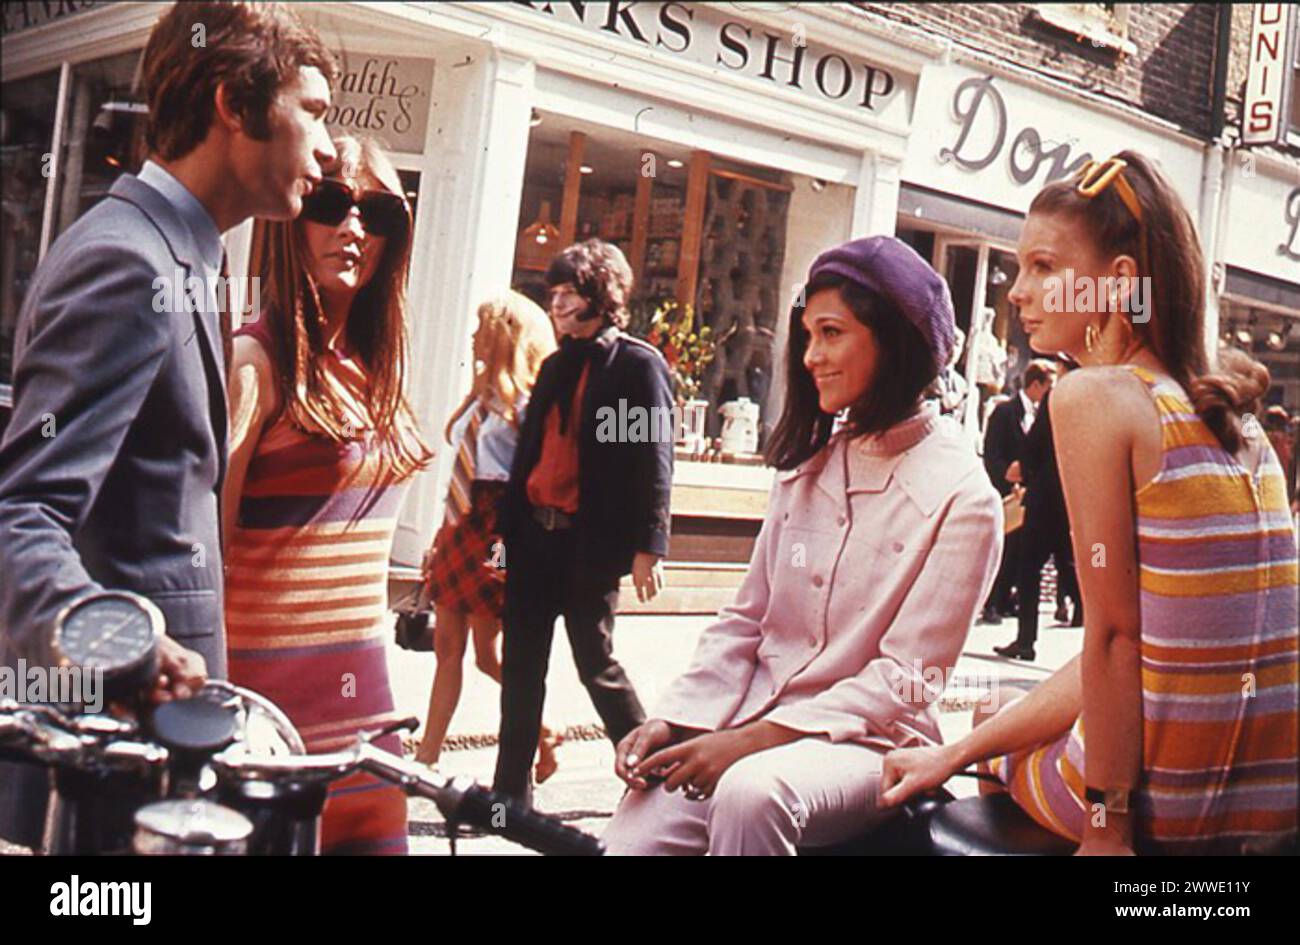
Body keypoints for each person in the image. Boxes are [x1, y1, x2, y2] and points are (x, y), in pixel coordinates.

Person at [880, 152, 1299, 855]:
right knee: (993, 720)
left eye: (1044, 268)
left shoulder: (1095, 397)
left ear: (1119, 282)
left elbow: (1110, 637)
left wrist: (1107, 828)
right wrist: (950, 755)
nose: (1018, 291)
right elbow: (1149, 644)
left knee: (991, 709)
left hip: (1175, 808)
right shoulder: (1239, 421)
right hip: (1271, 806)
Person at [0, 1, 336, 849]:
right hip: (107, 766)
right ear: (235, 104)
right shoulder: (129, 259)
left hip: (144, 762)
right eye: (315, 113)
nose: (328, 149)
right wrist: (123, 648)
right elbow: (20, 513)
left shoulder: (180, 254)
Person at [602, 237, 1002, 855]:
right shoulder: (805, 467)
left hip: (870, 745)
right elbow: (746, 621)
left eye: (832, 333)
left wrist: (748, 742)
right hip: (751, 721)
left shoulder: (964, 495)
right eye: (808, 335)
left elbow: (906, 679)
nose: (812, 356)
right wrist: (676, 720)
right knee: (635, 831)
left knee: (751, 795)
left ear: (894, 340)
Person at [222, 135, 429, 854]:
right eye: (331, 203)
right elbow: (201, 556)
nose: (353, 227)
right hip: (268, 742)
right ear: (293, 218)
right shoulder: (256, 361)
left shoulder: (378, 370)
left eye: (376, 212)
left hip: (370, 742)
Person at [492, 239, 674, 805]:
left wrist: (650, 544)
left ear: (600, 295)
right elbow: (527, 457)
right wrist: (504, 536)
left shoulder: (635, 366)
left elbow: (652, 458)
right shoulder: (554, 363)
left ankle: (654, 775)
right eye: (553, 293)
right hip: (532, 538)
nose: (556, 304)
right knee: (522, 669)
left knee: (595, 662)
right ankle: (509, 795)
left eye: (568, 293)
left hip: (586, 543)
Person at [413, 291, 561, 780]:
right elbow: (459, 473)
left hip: (499, 534)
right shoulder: (478, 396)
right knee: (446, 649)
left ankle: (542, 731)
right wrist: (440, 533)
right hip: (461, 525)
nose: (474, 337)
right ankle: (426, 758)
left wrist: (513, 556)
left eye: (482, 329)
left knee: (486, 654)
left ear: (502, 337)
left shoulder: (527, 404)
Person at [994, 363, 1083, 661]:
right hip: (1072, 495)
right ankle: (1087, 613)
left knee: (1029, 568)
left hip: (1045, 496)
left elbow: (1035, 443)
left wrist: (1025, 472)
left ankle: (1025, 640)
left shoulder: (1057, 398)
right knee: (1067, 561)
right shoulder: (1096, 399)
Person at [977, 361, 1055, 624]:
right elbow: (992, 452)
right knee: (1000, 549)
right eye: (1048, 387)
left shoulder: (1039, 414)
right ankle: (990, 603)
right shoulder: (1005, 411)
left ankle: (1004, 600)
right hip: (1004, 492)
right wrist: (1004, 476)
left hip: (1025, 494)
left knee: (1018, 552)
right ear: (1036, 385)